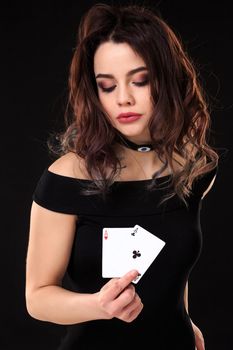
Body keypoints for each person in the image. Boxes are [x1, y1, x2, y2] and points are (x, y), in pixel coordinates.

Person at [25, 2, 219, 350]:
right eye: (107, 86)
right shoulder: (66, 178)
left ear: (167, 78)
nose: (124, 99)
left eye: (140, 80)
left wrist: (187, 321)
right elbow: (37, 297)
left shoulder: (193, 167)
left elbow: (173, 266)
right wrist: (98, 305)